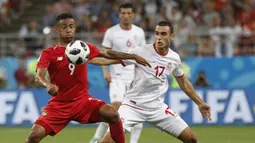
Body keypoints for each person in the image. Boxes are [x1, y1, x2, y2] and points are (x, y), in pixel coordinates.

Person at [24, 13, 151, 143]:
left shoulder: (82, 47)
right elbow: (38, 77)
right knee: (34, 135)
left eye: (71, 26)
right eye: (64, 27)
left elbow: (106, 53)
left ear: (75, 28)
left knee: (112, 114)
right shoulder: (49, 53)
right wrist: (48, 85)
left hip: (82, 101)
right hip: (59, 105)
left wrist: (132, 57)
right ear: (57, 29)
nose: (68, 29)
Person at [100, 21, 212, 143]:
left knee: (192, 139)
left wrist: (200, 103)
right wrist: (86, 58)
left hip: (157, 109)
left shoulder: (174, 58)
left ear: (172, 36)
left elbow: (183, 83)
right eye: (157, 34)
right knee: (108, 141)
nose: (159, 37)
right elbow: (107, 60)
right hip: (132, 106)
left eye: (163, 34)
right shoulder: (140, 51)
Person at [90, 3, 146, 143]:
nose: (126, 16)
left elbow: (143, 54)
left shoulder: (139, 32)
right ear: (119, 14)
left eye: (129, 13)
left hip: (135, 78)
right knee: (114, 110)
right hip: (117, 77)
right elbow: (102, 54)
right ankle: (97, 138)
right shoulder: (111, 32)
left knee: (137, 111)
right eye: (123, 13)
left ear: (133, 15)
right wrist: (105, 71)